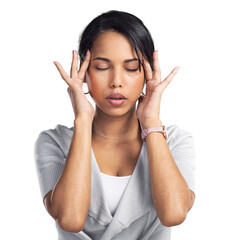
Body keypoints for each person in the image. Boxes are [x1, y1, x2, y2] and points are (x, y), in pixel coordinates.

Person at [34, 10, 196, 240]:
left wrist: (151, 122)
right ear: (84, 73)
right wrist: (82, 121)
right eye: (101, 67)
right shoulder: (54, 142)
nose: (116, 82)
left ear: (147, 74)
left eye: (131, 68)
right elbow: (70, 219)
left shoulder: (176, 141)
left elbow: (173, 214)